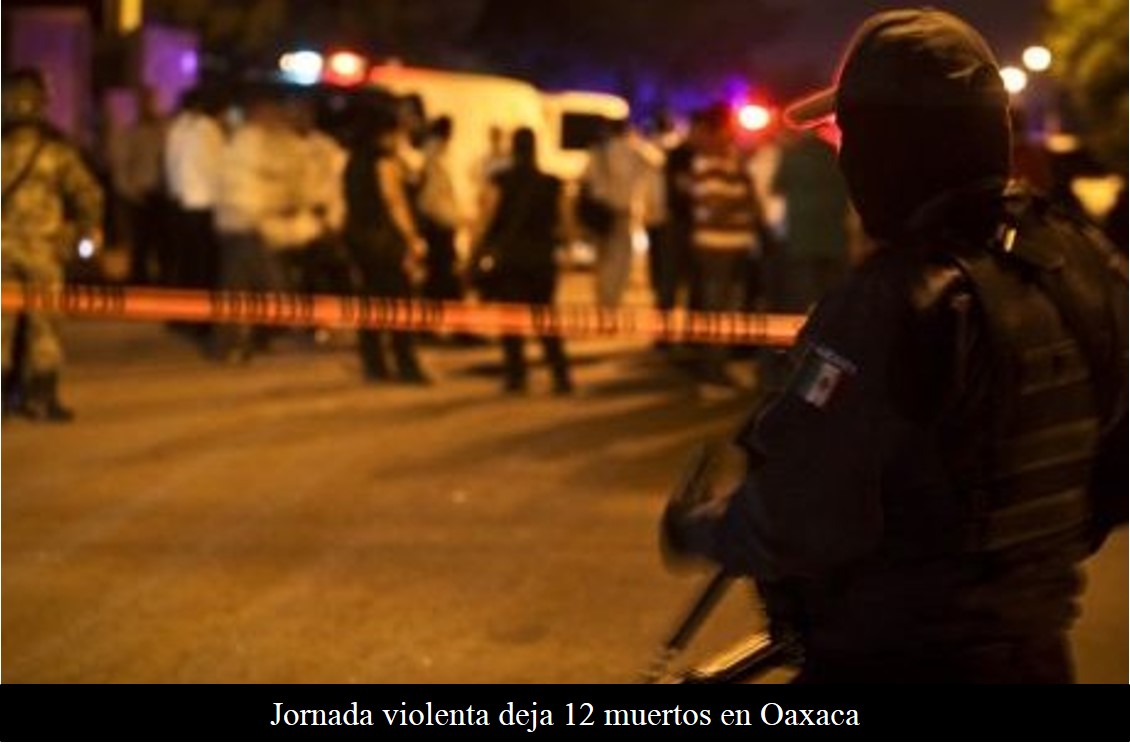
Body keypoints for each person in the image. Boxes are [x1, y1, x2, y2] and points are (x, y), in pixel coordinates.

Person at [661, 8, 1128, 683]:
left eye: (849, 134)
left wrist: (700, 528)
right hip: (1037, 657)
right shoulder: (1082, 263)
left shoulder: (896, 302)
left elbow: (798, 513)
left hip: (894, 663)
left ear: (888, 145)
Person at [1, 68, 104, 422]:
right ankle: (40, 397)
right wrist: (83, 232)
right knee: (44, 327)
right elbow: (88, 195)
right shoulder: (56, 150)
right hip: (43, 252)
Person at [473, 127, 574, 395]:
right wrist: (566, 251)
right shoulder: (552, 183)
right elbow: (566, 224)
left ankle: (516, 376)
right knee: (546, 319)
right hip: (541, 259)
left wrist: (476, 252)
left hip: (510, 260)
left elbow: (485, 219)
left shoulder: (501, 180)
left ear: (513, 149)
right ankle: (560, 374)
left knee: (511, 320)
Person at [343, 108, 431, 385]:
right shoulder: (384, 162)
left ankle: (374, 363)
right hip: (386, 243)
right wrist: (413, 238)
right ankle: (406, 363)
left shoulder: (353, 162)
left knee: (370, 303)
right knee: (399, 302)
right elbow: (394, 203)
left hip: (360, 241)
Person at [687, 103, 764, 392]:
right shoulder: (707, 163)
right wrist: (744, 202)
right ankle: (711, 374)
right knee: (717, 310)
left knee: (728, 309)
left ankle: (717, 369)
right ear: (715, 131)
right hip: (716, 248)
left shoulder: (732, 159)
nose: (733, 134)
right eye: (729, 128)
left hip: (735, 245)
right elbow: (715, 208)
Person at [581, 118, 646, 308]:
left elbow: (586, 179)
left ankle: (603, 297)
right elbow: (651, 167)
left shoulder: (598, 152)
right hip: (621, 211)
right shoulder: (633, 153)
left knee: (602, 257)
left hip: (600, 212)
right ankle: (612, 300)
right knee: (620, 259)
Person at [109, 86, 170, 285]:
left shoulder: (162, 131)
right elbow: (121, 167)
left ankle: (157, 283)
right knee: (139, 248)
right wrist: (132, 192)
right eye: (145, 101)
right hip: (138, 199)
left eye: (151, 101)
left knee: (160, 246)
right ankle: (138, 285)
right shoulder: (131, 133)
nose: (149, 105)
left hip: (159, 197)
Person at [417, 116, 464, 304]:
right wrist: (456, 219)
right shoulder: (433, 162)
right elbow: (431, 200)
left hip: (439, 228)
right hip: (438, 229)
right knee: (442, 278)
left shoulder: (432, 160)